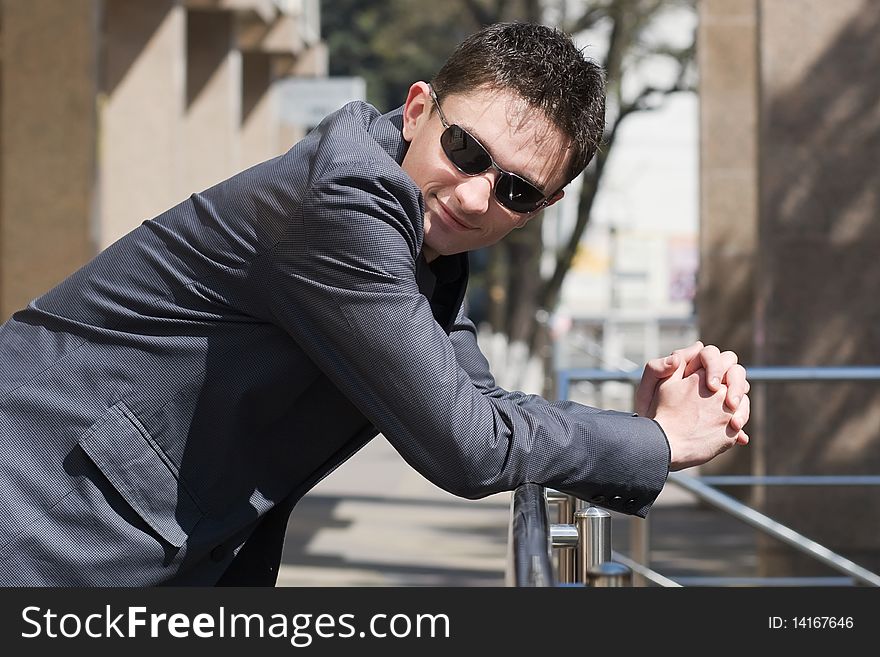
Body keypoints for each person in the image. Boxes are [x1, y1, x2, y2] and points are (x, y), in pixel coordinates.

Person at [0, 22, 749, 586]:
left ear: (541, 208)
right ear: (419, 108)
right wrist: (659, 443)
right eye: (467, 150)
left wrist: (638, 423)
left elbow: (476, 400)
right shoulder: (347, 205)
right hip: (38, 518)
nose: (476, 193)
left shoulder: (425, 237)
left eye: (516, 189)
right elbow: (468, 444)